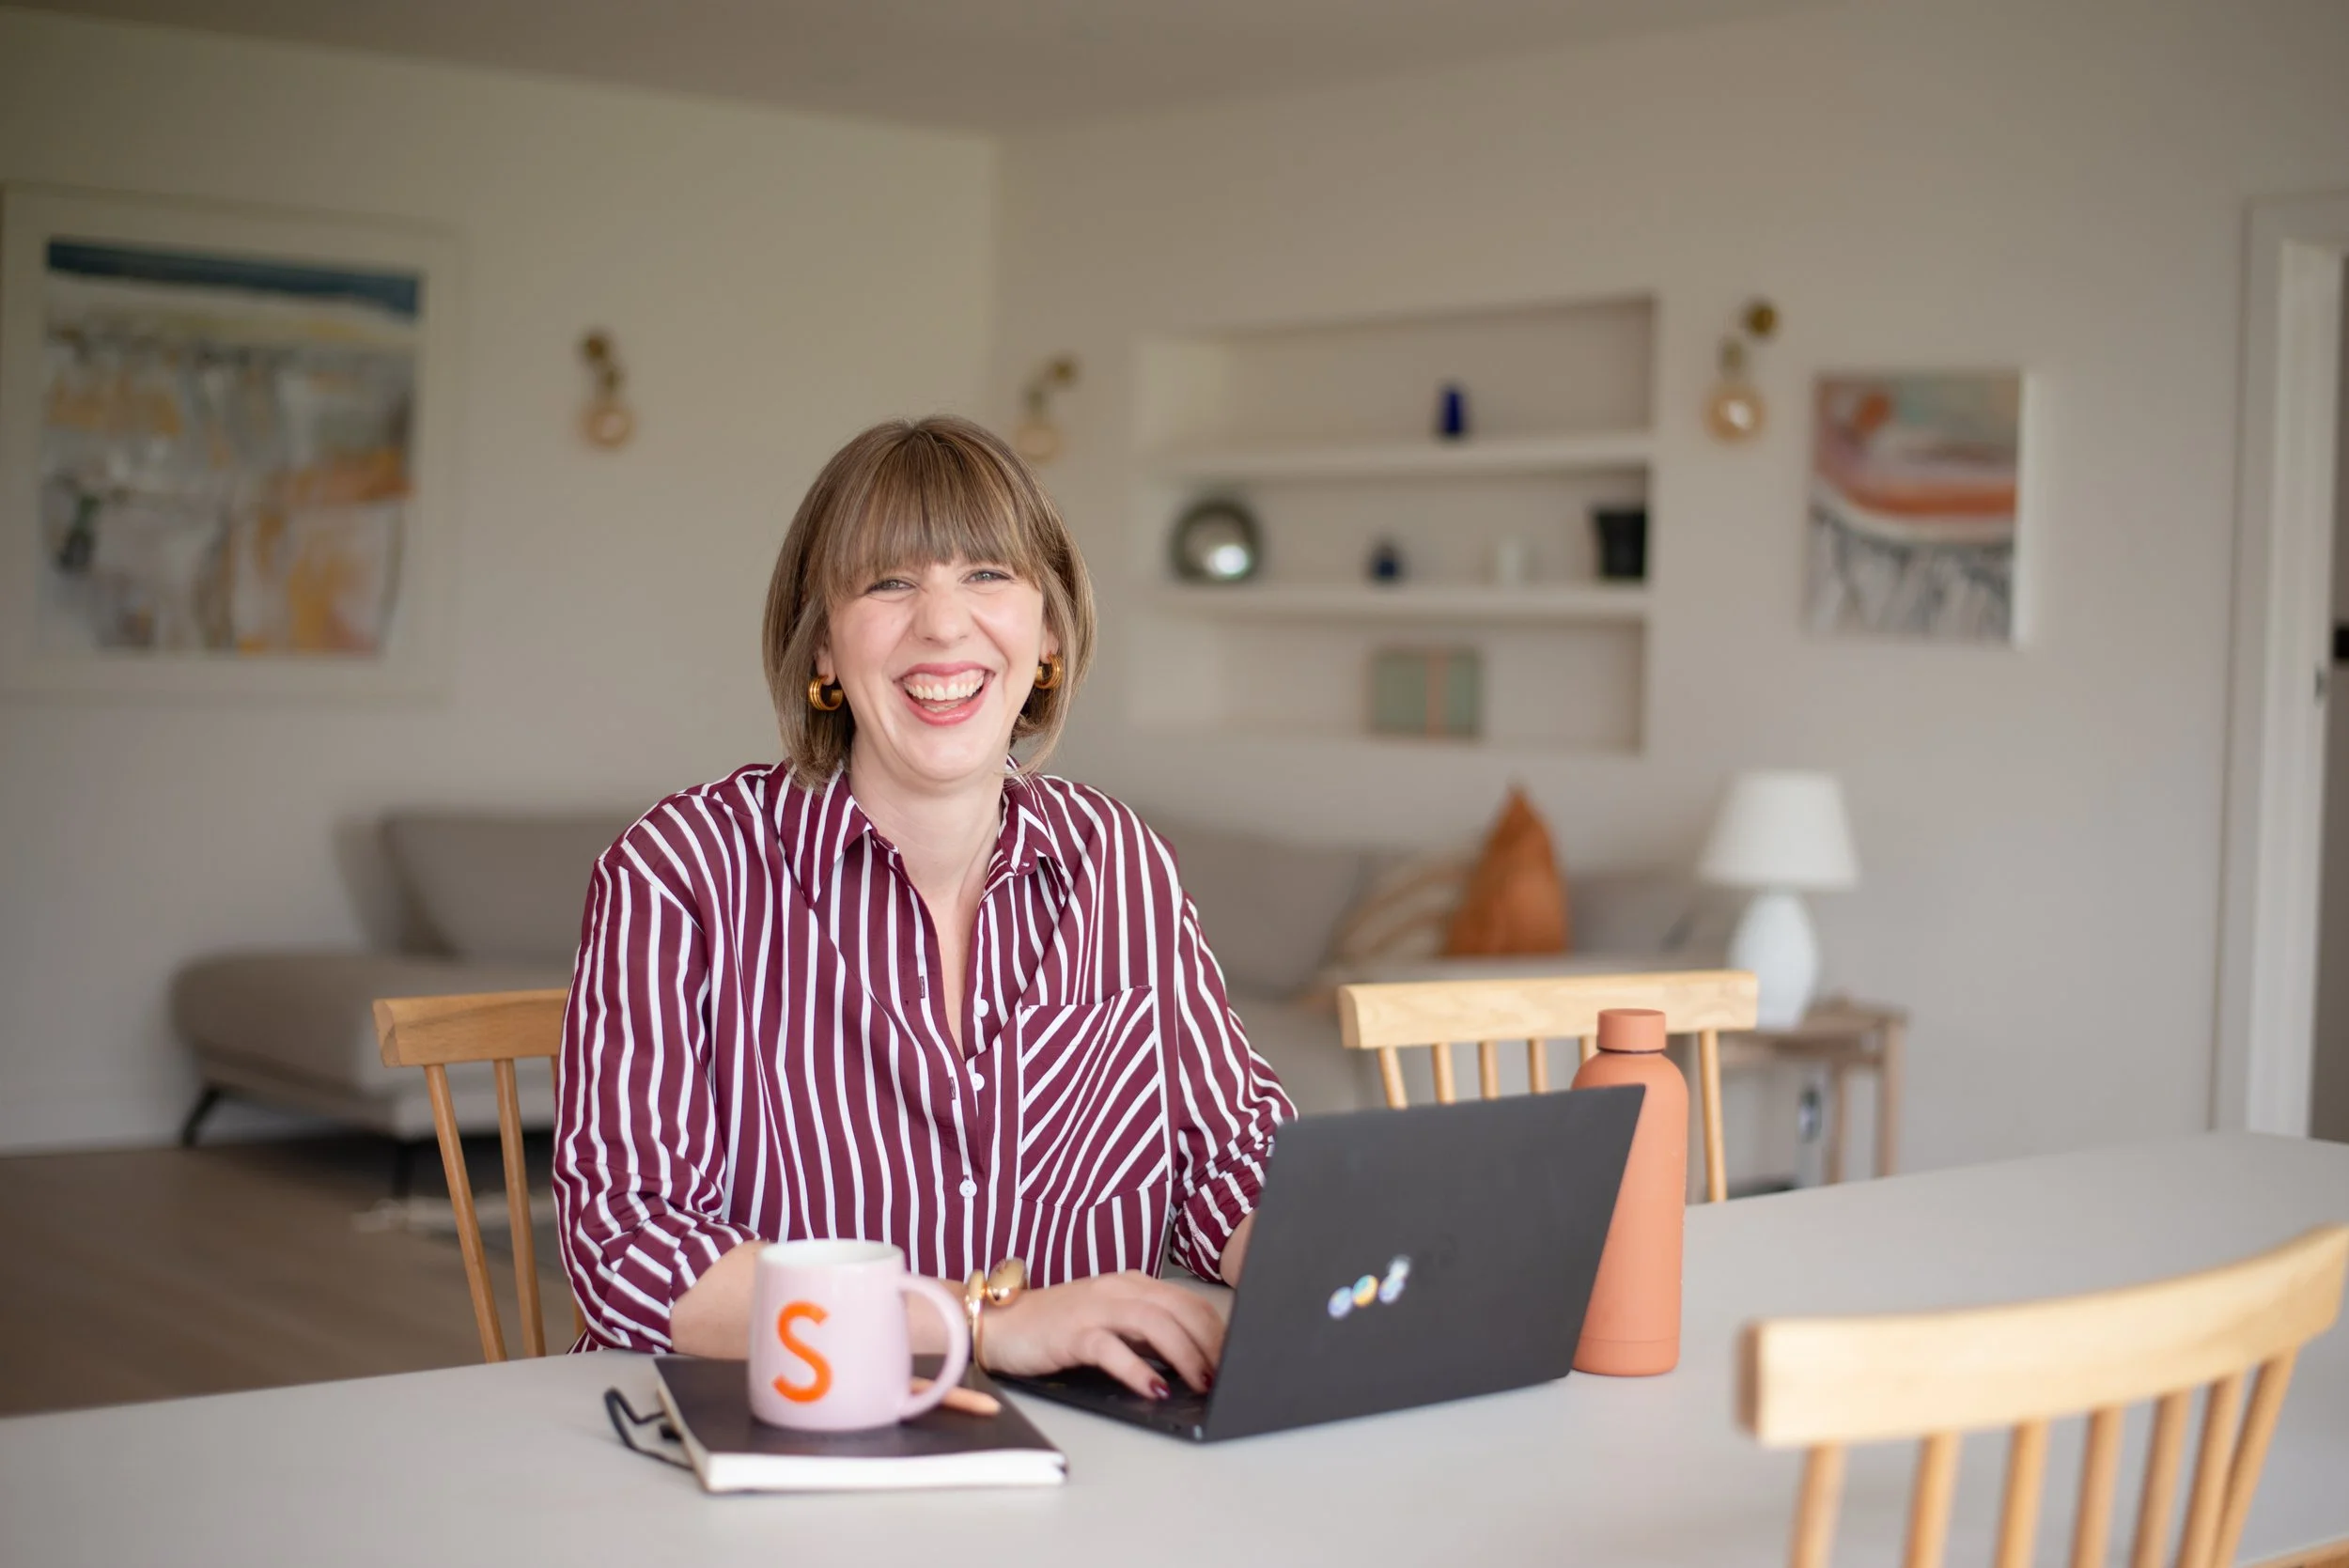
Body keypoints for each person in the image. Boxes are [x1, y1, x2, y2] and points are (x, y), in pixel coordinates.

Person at [553, 415, 1294, 1399]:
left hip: (1085, 1452)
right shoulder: (680, 870)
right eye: (889, 582)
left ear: (1050, 637)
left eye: (988, 575)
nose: (943, 625)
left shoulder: (1120, 864)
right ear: (821, 644)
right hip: (768, 1450)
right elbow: (630, 1248)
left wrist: (1373, 1278)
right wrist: (984, 1321)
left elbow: (1226, 1162)